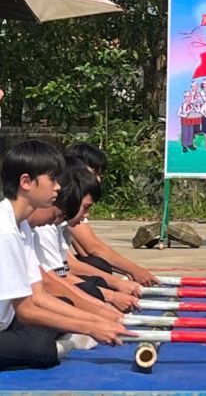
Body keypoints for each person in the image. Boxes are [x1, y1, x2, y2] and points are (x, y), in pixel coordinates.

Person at [1, 140, 129, 371]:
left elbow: (39, 295)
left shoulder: (23, 227)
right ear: (26, 182)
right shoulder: (6, 231)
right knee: (40, 348)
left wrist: (97, 317)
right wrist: (91, 326)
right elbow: (27, 310)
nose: (58, 187)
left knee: (63, 306)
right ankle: (57, 347)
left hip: (9, 321)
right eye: (52, 179)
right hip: (12, 321)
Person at [64, 143, 158, 287]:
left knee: (98, 266)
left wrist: (127, 273)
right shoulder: (62, 209)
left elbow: (85, 252)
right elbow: (92, 248)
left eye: (100, 175)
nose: (98, 180)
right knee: (96, 278)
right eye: (94, 173)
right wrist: (131, 273)